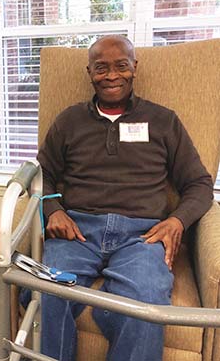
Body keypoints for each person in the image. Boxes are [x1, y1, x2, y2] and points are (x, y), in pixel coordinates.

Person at [37, 35, 213, 360]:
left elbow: (199, 183)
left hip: (142, 236)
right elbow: (42, 173)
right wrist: (53, 209)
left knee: (144, 301)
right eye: (101, 67)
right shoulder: (68, 121)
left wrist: (177, 220)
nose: (112, 75)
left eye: (121, 65)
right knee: (48, 290)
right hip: (77, 230)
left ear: (135, 67)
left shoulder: (164, 121)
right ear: (89, 72)